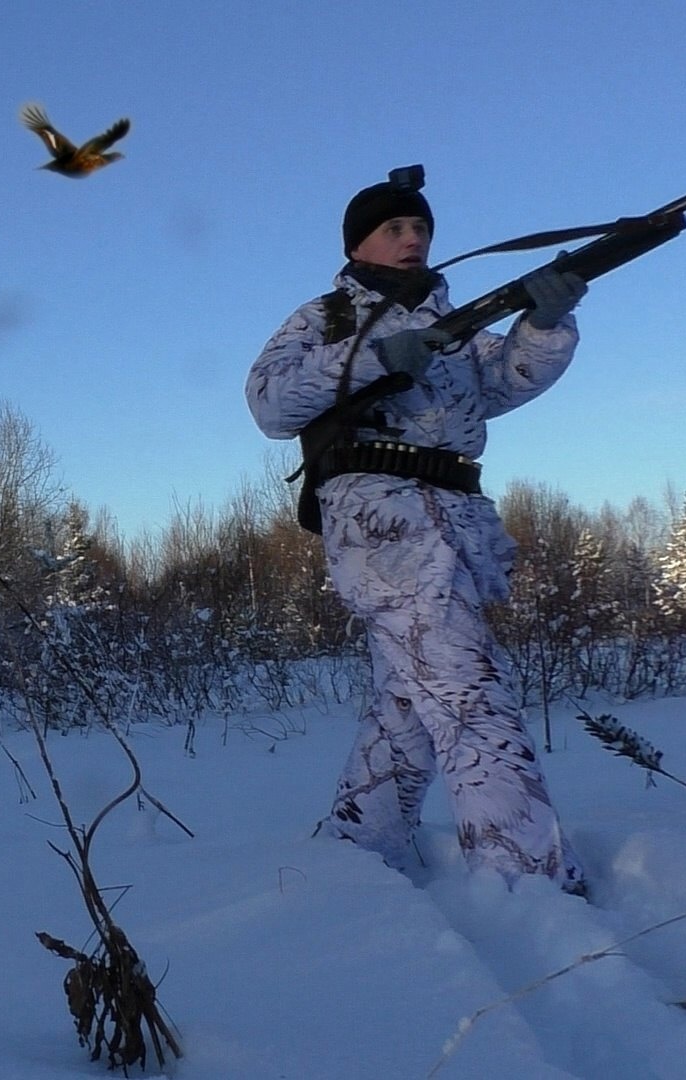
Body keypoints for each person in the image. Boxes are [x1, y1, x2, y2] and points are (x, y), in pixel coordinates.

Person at [245, 167, 589, 895]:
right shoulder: (326, 319)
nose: (412, 239)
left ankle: (360, 843)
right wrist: (373, 358)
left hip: (458, 512)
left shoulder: (455, 331)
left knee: (410, 695)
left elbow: (506, 380)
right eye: (395, 228)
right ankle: (526, 877)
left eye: (421, 229)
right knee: (468, 688)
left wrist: (546, 325)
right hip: (381, 517)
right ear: (359, 243)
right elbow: (271, 403)